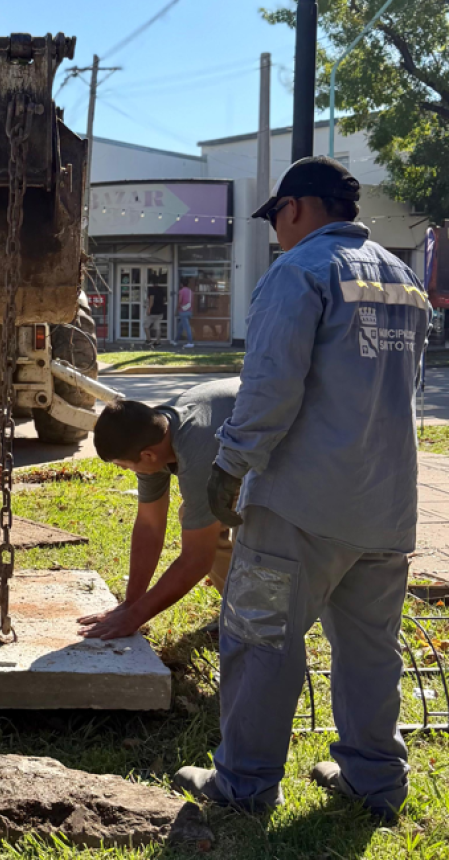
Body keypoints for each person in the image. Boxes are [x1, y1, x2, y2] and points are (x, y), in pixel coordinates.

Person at [174, 156, 431, 820]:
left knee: (259, 640)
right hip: (386, 508)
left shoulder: (299, 272)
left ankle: (245, 787)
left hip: (301, 506)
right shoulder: (404, 279)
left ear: (295, 209)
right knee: (371, 653)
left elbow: (269, 388)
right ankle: (375, 784)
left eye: (277, 219)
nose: (277, 233)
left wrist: (229, 468)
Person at [77, 378, 240, 640]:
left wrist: (135, 617)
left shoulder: (199, 455)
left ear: (148, 456)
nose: (128, 471)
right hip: (236, 449)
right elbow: (149, 525)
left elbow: (197, 560)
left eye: (125, 466)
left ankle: (259, 625)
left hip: (290, 450)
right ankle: (241, 614)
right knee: (200, 519)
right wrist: (131, 603)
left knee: (245, 531)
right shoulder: (152, 433)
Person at [144, 281, 167, 346]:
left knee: (146, 326)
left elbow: (152, 300)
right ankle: (157, 341)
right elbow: (164, 300)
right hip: (160, 312)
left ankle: (149, 340)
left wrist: (149, 309)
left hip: (153, 312)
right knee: (157, 327)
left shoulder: (152, 290)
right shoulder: (162, 290)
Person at [175, 280, 195, 348]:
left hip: (183, 311)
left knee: (187, 327)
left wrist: (176, 309)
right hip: (189, 311)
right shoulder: (190, 291)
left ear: (181, 284)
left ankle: (190, 342)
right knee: (180, 326)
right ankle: (176, 341)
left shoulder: (181, 291)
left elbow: (180, 301)